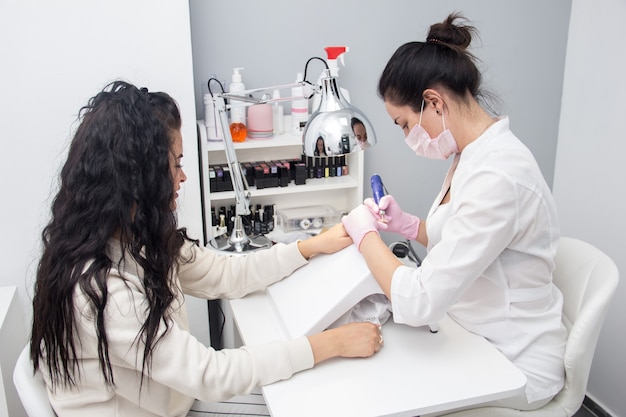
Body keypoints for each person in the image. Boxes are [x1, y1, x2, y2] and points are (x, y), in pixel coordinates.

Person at [30, 81, 383, 417]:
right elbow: (210, 373)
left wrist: (309, 247)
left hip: (168, 400)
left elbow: (223, 272)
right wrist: (330, 344)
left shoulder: (134, 238)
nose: (182, 177)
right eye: (176, 163)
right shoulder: (103, 290)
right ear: (139, 175)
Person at [341, 13, 566, 412]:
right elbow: (466, 239)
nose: (408, 135)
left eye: (404, 124)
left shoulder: (500, 174)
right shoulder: (470, 154)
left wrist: (366, 235)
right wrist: (409, 226)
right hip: (470, 333)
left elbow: (421, 301)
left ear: (433, 102)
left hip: (514, 360)